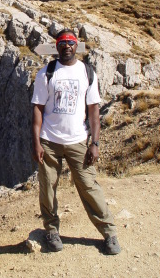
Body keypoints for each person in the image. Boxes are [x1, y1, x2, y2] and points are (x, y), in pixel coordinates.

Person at [31, 29, 121, 255]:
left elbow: (93, 111)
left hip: (79, 141)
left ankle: (109, 233)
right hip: (49, 141)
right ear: (57, 46)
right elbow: (38, 111)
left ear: (76, 45)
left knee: (89, 186)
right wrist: (36, 143)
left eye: (70, 42)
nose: (67, 46)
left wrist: (95, 143)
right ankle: (51, 231)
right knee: (48, 188)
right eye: (62, 42)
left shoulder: (87, 72)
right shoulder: (46, 74)